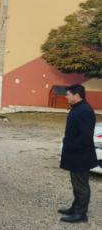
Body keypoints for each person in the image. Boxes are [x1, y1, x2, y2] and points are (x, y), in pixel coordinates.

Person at [59, 84, 97, 223]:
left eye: (68, 94)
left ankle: (81, 214)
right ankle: (75, 207)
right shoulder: (78, 108)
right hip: (75, 154)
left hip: (81, 155)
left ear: (76, 95)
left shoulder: (85, 110)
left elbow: (86, 135)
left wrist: (71, 146)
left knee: (81, 186)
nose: (66, 96)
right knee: (77, 184)